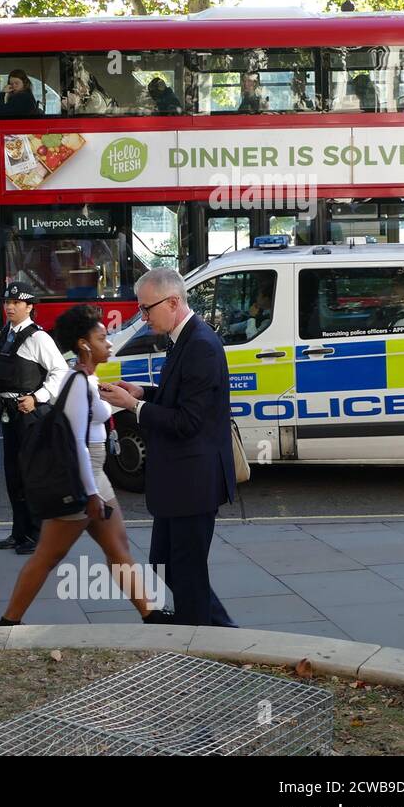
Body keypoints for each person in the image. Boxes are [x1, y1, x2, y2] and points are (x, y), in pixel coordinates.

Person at [0, 305, 171, 625]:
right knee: (48, 556)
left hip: (96, 479)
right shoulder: (76, 382)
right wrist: (90, 495)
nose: (109, 344)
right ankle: (8, 622)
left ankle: (152, 615)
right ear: (84, 345)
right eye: (102, 337)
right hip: (82, 481)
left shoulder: (87, 381)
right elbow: (76, 440)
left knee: (118, 550)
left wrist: (109, 396)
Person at [99, 268, 238, 627]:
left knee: (187, 572)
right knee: (164, 562)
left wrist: (134, 408)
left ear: (173, 302)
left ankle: (202, 646)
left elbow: (187, 422)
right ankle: (225, 633)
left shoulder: (201, 345)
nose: (143, 318)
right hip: (178, 480)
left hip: (193, 480)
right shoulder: (185, 338)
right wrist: (143, 392)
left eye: (147, 309)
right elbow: (180, 398)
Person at [0, 282, 69, 555]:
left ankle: (36, 535)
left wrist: (39, 397)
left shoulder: (38, 338)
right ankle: (18, 532)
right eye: (7, 302)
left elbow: (60, 371)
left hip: (31, 415)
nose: (10, 307)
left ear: (30, 306)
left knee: (32, 475)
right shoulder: (4, 335)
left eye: (17, 303)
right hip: (9, 413)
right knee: (13, 475)